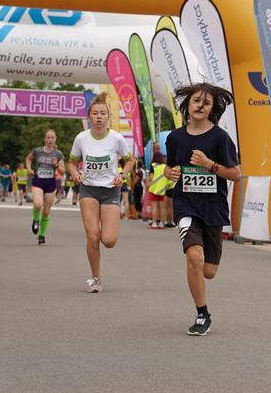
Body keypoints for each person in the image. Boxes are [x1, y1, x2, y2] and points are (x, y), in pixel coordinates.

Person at [165, 83, 241, 336]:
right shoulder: (175, 138)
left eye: (206, 103)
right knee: (194, 257)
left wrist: (209, 164)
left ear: (212, 109)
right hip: (186, 205)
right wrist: (170, 173)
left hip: (213, 207)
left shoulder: (220, 138)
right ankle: (202, 314)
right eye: (196, 100)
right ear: (188, 103)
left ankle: (202, 303)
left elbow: (236, 174)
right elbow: (169, 167)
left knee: (208, 271)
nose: (200, 106)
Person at [68, 92, 133, 293]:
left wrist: (122, 174)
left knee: (109, 240)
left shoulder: (117, 138)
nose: (98, 117)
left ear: (108, 117)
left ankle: (98, 270)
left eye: (102, 113)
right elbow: (71, 162)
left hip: (110, 190)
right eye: (95, 113)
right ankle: (96, 279)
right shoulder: (81, 138)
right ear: (89, 116)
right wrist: (75, 173)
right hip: (88, 189)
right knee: (93, 235)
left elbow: (130, 161)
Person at [26, 130, 65, 245]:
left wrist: (56, 165)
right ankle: (35, 220)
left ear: (55, 139)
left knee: (46, 212)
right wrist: (29, 168)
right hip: (38, 181)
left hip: (50, 183)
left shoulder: (58, 154)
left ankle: (42, 236)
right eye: (48, 137)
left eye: (52, 137)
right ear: (44, 139)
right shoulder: (37, 151)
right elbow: (28, 158)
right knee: (38, 204)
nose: (50, 140)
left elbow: (62, 171)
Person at [147, 152, 168, 229]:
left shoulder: (153, 166)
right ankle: (162, 223)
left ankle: (154, 223)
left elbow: (151, 177)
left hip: (154, 189)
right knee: (162, 208)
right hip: (163, 189)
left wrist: (147, 181)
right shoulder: (165, 166)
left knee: (155, 207)